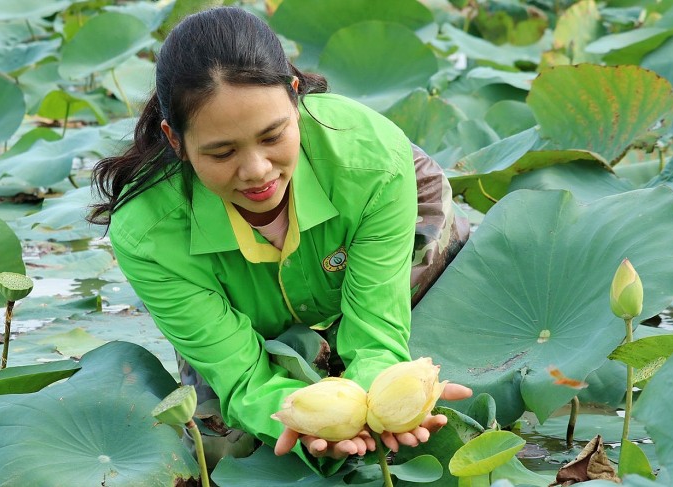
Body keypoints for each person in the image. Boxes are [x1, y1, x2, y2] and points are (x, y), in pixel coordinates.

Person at [89, 6, 471, 474]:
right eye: (221, 152)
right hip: (239, 286)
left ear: (295, 98)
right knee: (223, 444)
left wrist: (381, 400)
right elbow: (244, 376)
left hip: (380, 201)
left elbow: (377, 335)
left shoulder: (375, 162)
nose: (256, 172)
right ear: (174, 139)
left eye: (273, 136)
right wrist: (312, 421)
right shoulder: (146, 233)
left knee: (408, 365)